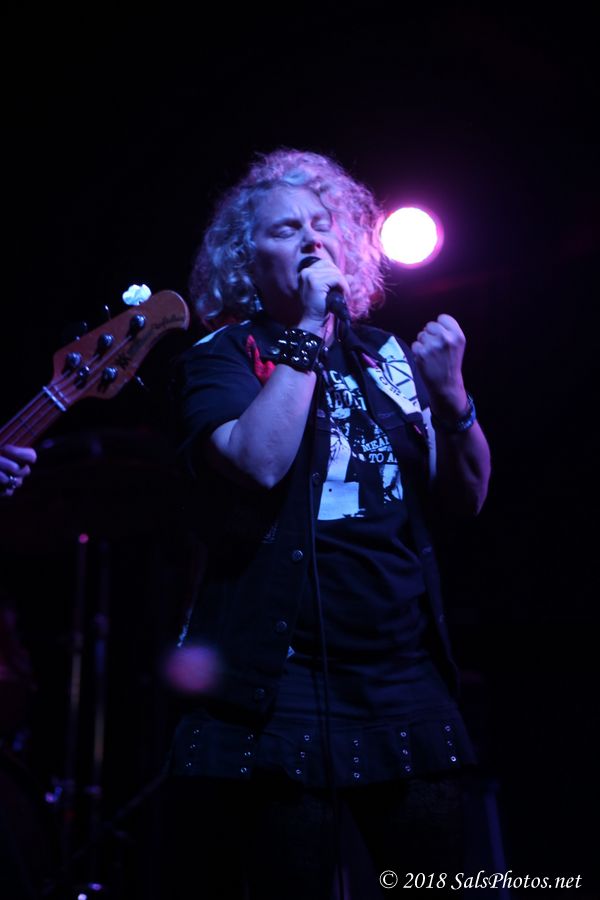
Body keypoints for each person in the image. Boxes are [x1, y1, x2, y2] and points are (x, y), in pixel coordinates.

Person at [166, 149, 491, 899]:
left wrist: (452, 396)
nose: (313, 238)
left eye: (322, 223)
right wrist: (310, 326)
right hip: (280, 689)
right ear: (247, 261)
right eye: (286, 229)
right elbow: (258, 461)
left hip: (402, 680)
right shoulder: (223, 357)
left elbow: (466, 497)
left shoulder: (384, 356)